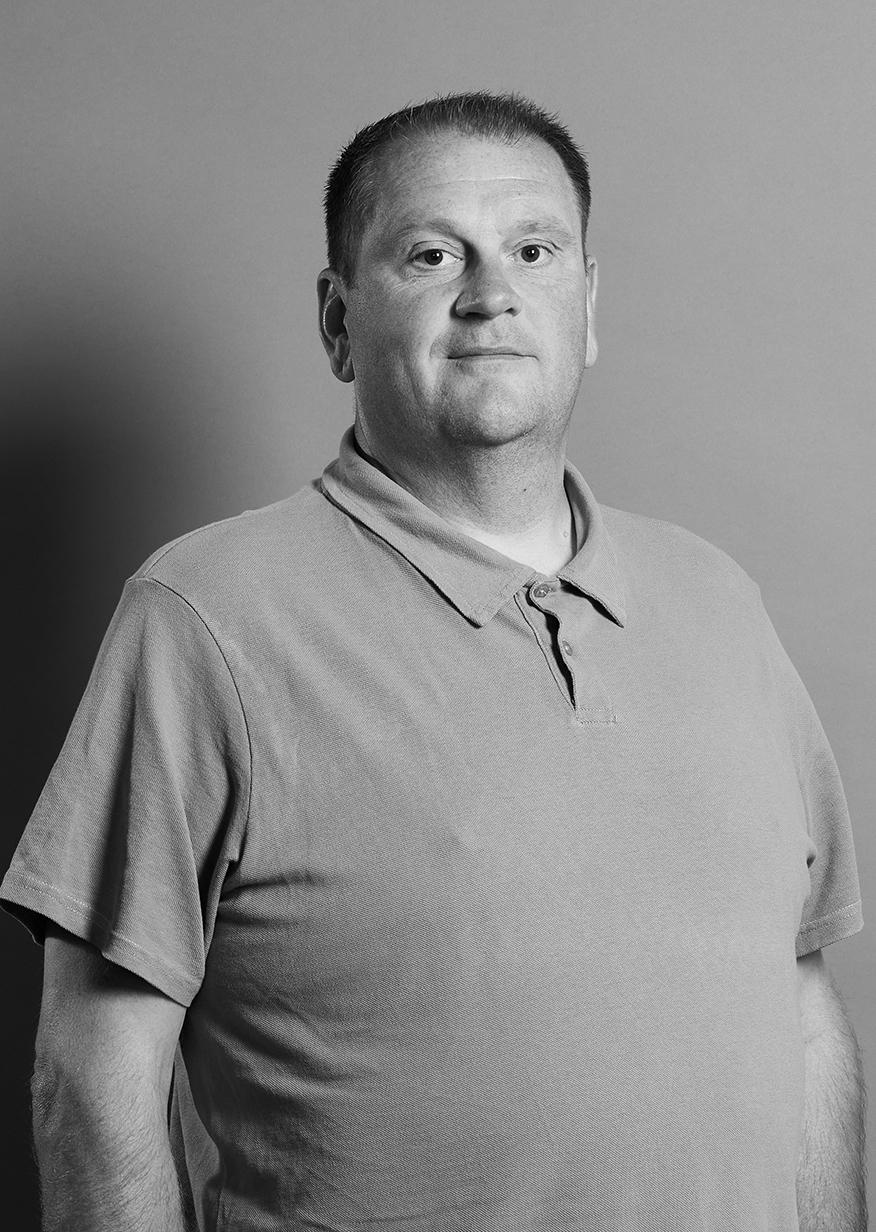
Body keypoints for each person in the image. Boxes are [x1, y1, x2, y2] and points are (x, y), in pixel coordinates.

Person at [1, 92, 866, 1232]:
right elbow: (93, 1072)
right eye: (431, 254)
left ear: (587, 306)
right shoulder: (204, 617)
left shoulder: (721, 601)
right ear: (338, 320)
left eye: (534, 251)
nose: (491, 292)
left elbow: (803, 1016)